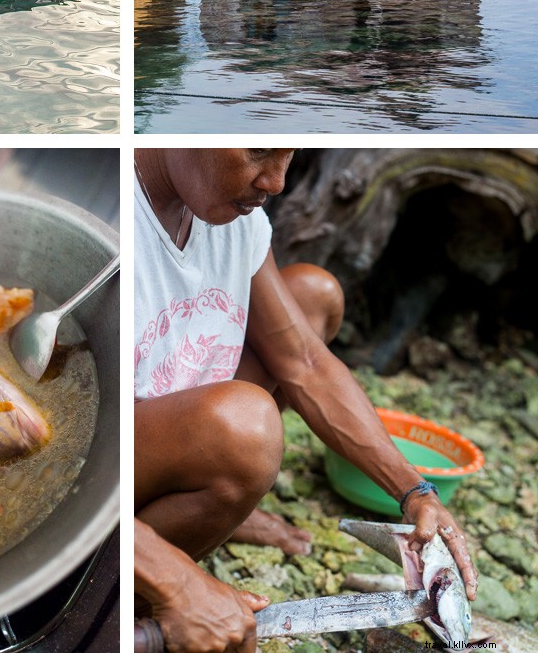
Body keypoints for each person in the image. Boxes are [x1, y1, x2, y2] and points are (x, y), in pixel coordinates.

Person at [134, 149, 478, 653]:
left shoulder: (232, 219)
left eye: (287, 155)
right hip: (110, 487)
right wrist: (179, 585)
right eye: (258, 154)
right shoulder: (117, 219)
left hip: (174, 426)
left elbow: (306, 363)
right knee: (246, 429)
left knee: (312, 297)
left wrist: (415, 493)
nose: (276, 182)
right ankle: (135, 591)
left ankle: (210, 501)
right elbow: (66, 471)